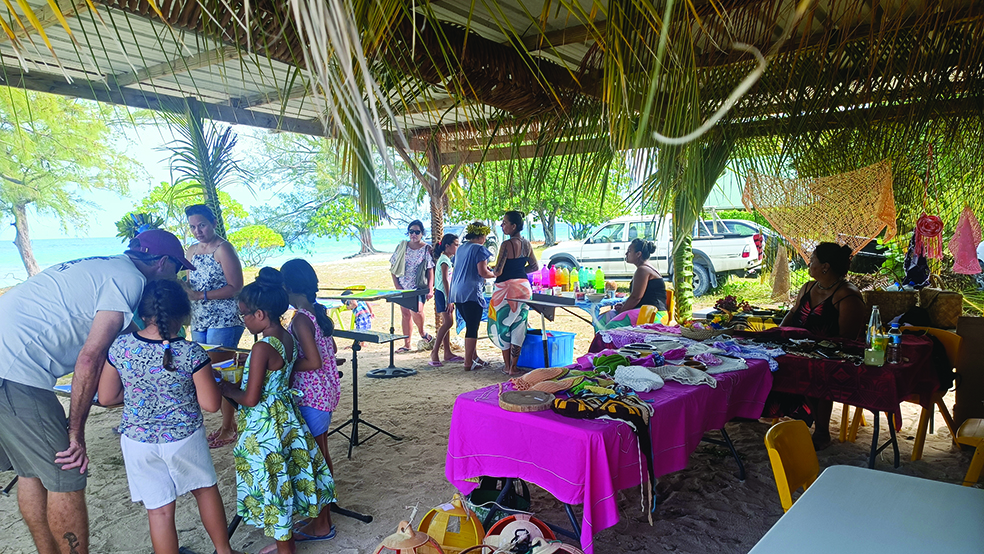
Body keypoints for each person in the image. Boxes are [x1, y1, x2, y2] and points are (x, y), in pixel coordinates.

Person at [0, 229, 192, 554]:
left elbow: (122, 333)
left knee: (31, 472)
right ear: (163, 263)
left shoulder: (109, 266)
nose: (178, 276)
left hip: (9, 360)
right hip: (17, 371)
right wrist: (76, 432)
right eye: (179, 269)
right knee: (67, 472)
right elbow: (90, 358)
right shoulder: (130, 280)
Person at [96, 280, 239, 554]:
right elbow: (210, 404)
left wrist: (142, 397)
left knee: (159, 510)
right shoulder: (190, 352)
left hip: (137, 441)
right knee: (204, 489)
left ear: (142, 312)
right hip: (184, 437)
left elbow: (106, 397)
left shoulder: (121, 347)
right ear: (184, 313)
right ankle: (223, 550)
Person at [217, 268, 336, 554]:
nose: (242, 320)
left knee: (272, 482)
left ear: (260, 315)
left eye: (243, 314)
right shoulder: (287, 337)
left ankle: (286, 548)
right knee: (288, 474)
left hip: (265, 425)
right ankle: (291, 540)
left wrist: (221, 385)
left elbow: (250, 398)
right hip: (286, 416)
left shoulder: (262, 348)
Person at [779, 242, 867, 449]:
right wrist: (777, 334)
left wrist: (813, 348)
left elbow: (847, 338)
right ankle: (759, 411)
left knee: (813, 370)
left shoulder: (847, 295)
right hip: (800, 348)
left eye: (812, 260)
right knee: (767, 360)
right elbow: (792, 315)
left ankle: (821, 430)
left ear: (825, 267)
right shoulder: (808, 288)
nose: (808, 264)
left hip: (832, 354)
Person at [184, 204, 245, 449]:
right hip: (199, 319)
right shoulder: (191, 251)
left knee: (223, 371)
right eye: (193, 227)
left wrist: (203, 296)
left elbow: (236, 286)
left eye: (202, 225)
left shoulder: (223, 249)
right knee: (204, 371)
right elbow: (188, 284)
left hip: (225, 319)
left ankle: (229, 425)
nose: (197, 230)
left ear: (213, 224)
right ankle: (225, 424)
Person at [281, 259, 341, 476]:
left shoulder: (301, 320)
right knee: (322, 449)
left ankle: (324, 501)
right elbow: (330, 348)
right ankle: (329, 498)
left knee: (316, 452)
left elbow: (314, 361)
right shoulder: (317, 312)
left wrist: (286, 363)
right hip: (324, 392)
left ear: (286, 287)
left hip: (311, 395)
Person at [489, 212, 539, 376]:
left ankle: (506, 365)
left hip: (506, 288)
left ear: (514, 226)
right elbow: (534, 267)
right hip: (523, 287)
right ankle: (514, 367)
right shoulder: (527, 244)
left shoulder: (506, 245)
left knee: (503, 324)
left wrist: (488, 270)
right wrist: (519, 271)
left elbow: (498, 270)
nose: (502, 226)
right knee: (519, 324)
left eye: (504, 223)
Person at [450, 221, 497, 371]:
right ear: (482, 235)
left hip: (456, 291)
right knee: (472, 327)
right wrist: (495, 273)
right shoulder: (479, 249)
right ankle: (468, 362)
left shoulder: (461, 248)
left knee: (470, 325)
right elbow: (482, 272)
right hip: (470, 291)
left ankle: (474, 357)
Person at [599, 239, 667, 329]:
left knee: (612, 326)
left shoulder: (643, 270)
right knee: (602, 320)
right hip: (643, 311)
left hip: (653, 314)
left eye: (629, 251)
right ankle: (599, 342)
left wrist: (622, 311)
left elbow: (636, 297)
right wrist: (624, 304)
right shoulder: (644, 268)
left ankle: (607, 342)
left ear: (638, 254)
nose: (626, 254)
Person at [389, 220, 435, 352]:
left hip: (418, 286)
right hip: (403, 285)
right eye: (411, 232)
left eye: (417, 232)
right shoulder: (402, 246)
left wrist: (430, 289)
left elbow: (430, 269)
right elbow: (393, 267)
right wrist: (397, 285)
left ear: (422, 233)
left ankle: (422, 333)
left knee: (417, 310)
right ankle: (407, 344)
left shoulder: (426, 249)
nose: (414, 234)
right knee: (405, 314)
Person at [430, 233, 464, 367]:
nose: (458, 247)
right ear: (447, 246)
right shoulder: (444, 260)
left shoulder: (446, 259)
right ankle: (434, 352)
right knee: (448, 322)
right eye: (455, 244)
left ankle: (447, 352)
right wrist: (450, 299)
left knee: (448, 322)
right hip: (443, 294)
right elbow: (445, 280)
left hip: (443, 293)